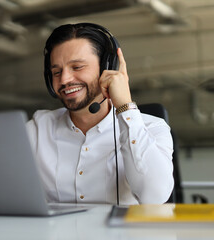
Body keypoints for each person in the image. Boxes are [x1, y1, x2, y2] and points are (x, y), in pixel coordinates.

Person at [26, 23, 174, 205]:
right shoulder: (36, 130)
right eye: (56, 72)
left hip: (121, 234)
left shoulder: (153, 128)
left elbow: (154, 197)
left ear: (107, 68)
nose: (64, 79)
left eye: (77, 67)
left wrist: (125, 108)